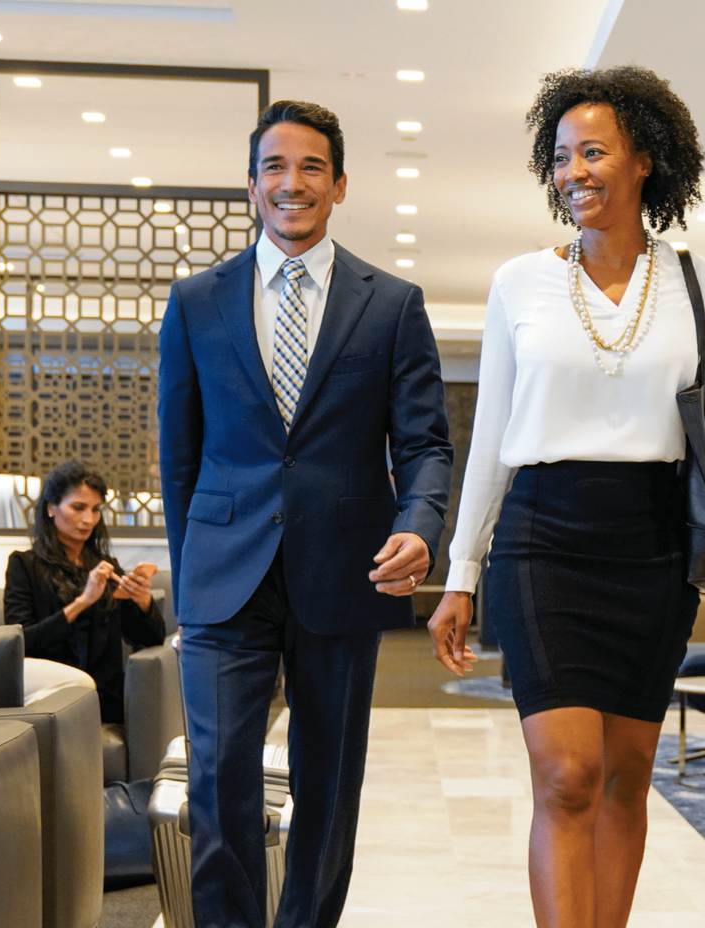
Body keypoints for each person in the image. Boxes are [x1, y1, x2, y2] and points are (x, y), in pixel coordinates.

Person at [427, 65, 705, 928]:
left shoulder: (703, 284)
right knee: (568, 776)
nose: (574, 172)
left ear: (646, 160)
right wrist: (462, 569)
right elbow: (490, 440)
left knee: (629, 776)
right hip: (542, 539)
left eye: (593, 151)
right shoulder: (519, 282)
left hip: (652, 544)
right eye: (560, 157)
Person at [158, 100, 452, 928]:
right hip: (224, 578)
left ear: (341, 183)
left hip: (345, 569)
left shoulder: (392, 303)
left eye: (312, 167)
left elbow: (427, 444)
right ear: (250, 185)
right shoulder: (196, 301)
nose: (293, 183)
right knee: (218, 778)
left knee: (327, 786)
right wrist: (191, 585)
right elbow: (179, 456)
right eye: (276, 168)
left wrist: (421, 526)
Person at [4, 460, 165, 724]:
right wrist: (83, 601)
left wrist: (144, 601)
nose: (88, 519)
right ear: (51, 509)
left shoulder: (107, 567)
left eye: (96, 509)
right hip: (49, 693)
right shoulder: (24, 565)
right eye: (78, 507)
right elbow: (19, 642)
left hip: (105, 697)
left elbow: (151, 639)